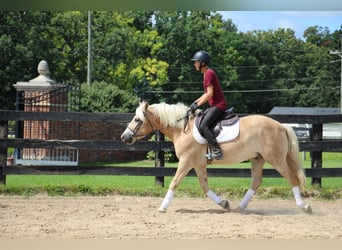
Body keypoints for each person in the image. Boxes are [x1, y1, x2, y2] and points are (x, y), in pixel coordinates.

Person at [190, 51, 227, 160]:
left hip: (218, 105)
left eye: (196, 62)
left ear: (202, 62)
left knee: (203, 125)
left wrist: (197, 105)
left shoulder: (209, 73)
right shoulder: (207, 74)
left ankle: (217, 151)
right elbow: (206, 94)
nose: (194, 64)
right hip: (214, 105)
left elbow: (210, 93)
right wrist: (195, 103)